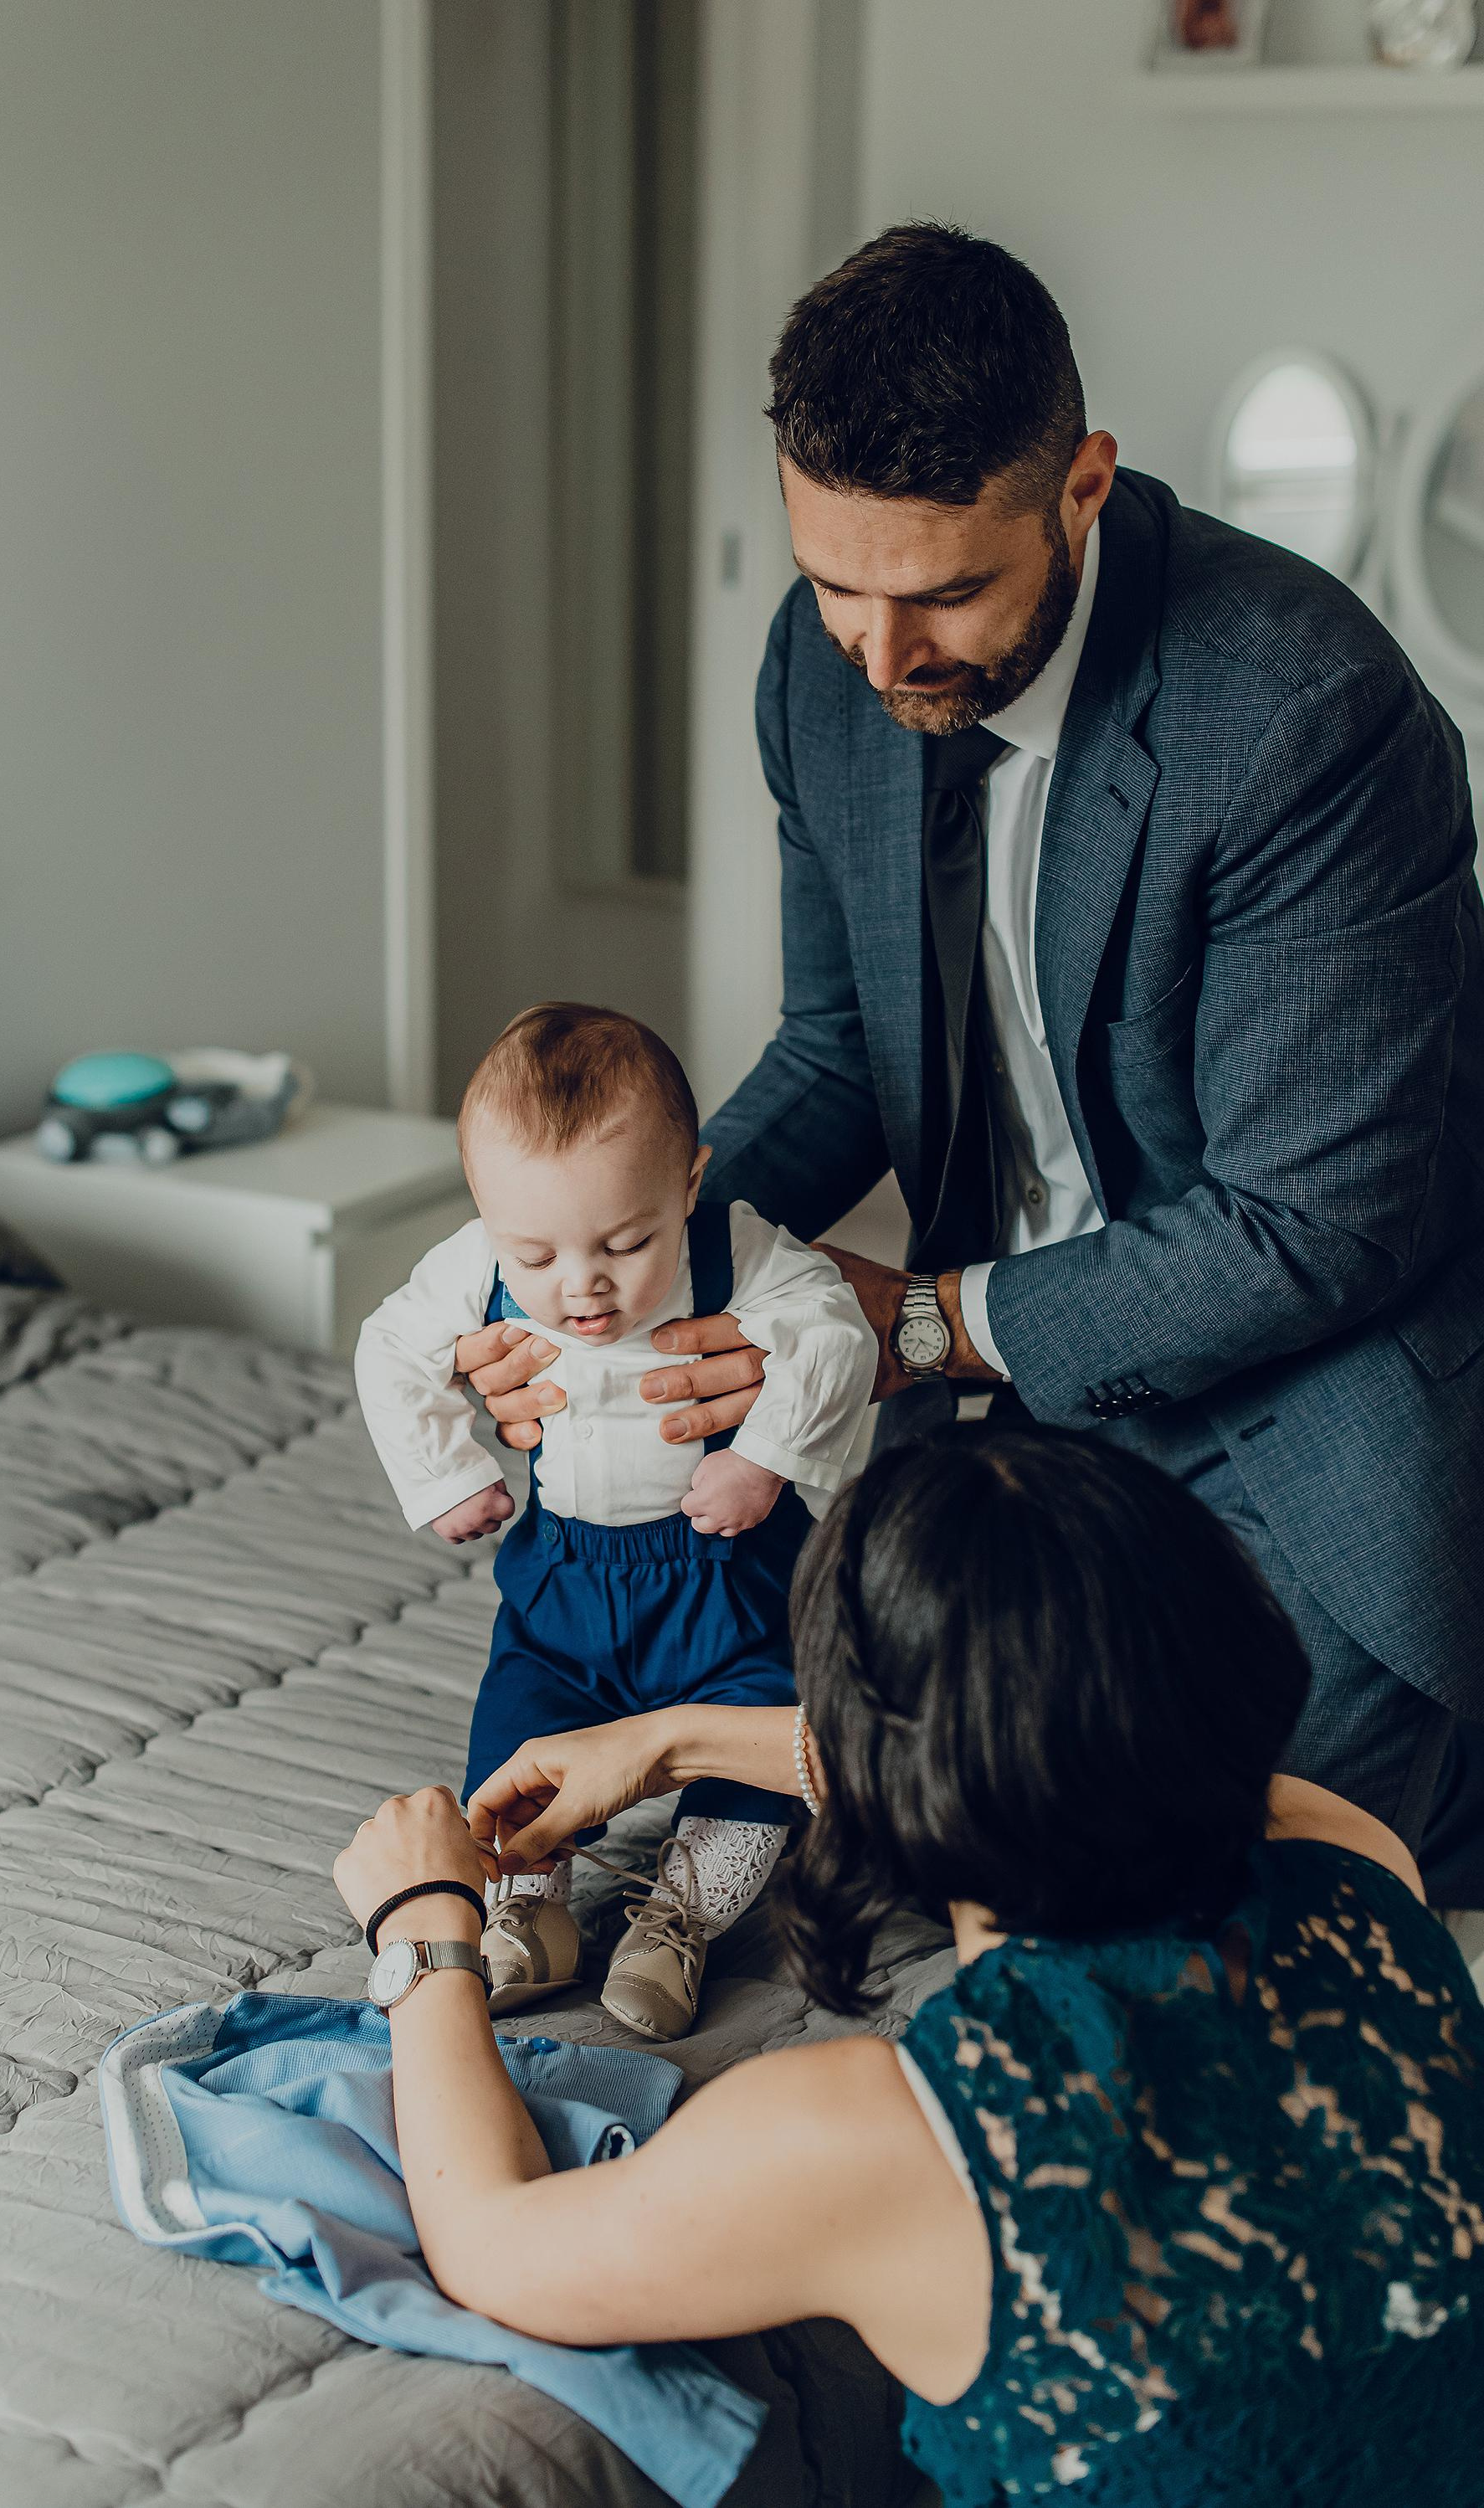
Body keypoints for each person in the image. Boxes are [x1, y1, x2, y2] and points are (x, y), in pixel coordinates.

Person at [458, 223, 1484, 1895]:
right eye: (834, 584)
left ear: (1083, 488)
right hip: (1002, 1410)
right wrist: (595, 1272)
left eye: (944, 594)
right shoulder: (820, 671)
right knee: (905, 1829)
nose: (879, 656)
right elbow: (837, 1054)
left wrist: (921, 1323)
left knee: (1167, 1893)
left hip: (1299, 1414)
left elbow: (1311, 1231)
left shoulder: (1306, 714)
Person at [333, 1430, 1484, 2508]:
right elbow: (1111, 1753)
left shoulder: (883, 2129)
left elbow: (493, 2244)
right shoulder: (1355, 1859)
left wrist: (422, 1927)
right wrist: (672, 1737)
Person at [354, 1002, 874, 2037]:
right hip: (565, 1579)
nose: (581, 1284)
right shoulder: (474, 1263)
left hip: (725, 1573)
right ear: (485, 1214)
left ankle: (678, 1919)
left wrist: (762, 1458)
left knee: (755, 1727)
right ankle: (530, 1909)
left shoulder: (734, 1249)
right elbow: (390, 1348)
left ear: (688, 1184)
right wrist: (446, 1472)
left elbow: (834, 1332)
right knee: (517, 1720)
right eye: (533, 1255)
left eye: (627, 1242)